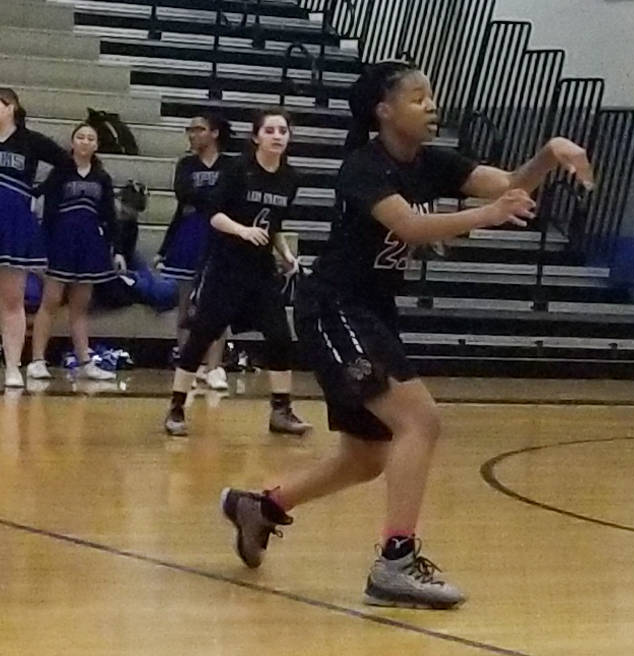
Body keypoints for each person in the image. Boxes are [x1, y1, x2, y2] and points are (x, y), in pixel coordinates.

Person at [219, 61, 594, 609]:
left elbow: (511, 184)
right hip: (335, 310)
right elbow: (412, 227)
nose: (431, 105)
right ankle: (395, 562)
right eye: (418, 97)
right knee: (420, 420)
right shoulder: (362, 167)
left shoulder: (428, 161)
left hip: (371, 310)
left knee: (367, 456)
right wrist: (487, 215)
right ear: (384, 111)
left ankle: (263, 507)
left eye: (432, 96)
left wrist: (549, 154)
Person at [163, 108, 310, 437]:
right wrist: (242, 231)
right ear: (256, 136)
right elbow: (213, 215)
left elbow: (274, 226)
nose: (276, 136)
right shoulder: (236, 169)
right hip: (226, 265)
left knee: (280, 337)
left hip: (260, 271)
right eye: (269, 130)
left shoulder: (290, 178)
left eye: (282, 131)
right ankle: (175, 407)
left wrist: (286, 255)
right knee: (201, 335)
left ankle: (281, 410)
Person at [27, 123, 123, 382]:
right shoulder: (60, 172)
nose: (84, 141)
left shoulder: (102, 177)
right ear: (72, 143)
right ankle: (37, 360)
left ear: (96, 145)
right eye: (80, 137)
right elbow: (46, 211)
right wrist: (43, 247)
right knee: (51, 302)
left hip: (90, 245)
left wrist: (117, 250)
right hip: (61, 242)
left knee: (80, 308)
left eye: (90, 138)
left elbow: (109, 217)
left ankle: (85, 362)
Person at [0, 88, 73, 388]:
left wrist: (39, 190)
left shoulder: (30, 141)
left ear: (12, 107)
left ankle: (14, 366)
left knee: (12, 300)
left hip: (14, 223)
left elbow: (66, 163)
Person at [156, 114, 234, 391]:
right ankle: (188, 363)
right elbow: (184, 194)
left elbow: (230, 197)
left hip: (220, 234)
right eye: (189, 129)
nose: (191, 134)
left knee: (217, 302)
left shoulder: (231, 165)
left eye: (198, 129)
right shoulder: (186, 164)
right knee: (186, 303)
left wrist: (207, 201)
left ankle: (214, 367)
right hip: (190, 234)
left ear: (214, 133)